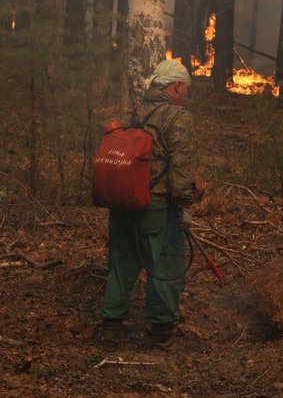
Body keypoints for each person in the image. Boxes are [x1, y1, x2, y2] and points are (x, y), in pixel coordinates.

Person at [99, 60, 197, 350]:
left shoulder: (136, 112)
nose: (186, 95)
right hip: (157, 205)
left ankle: (111, 328)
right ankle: (160, 332)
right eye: (186, 88)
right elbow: (181, 164)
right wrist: (184, 204)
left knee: (121, 263)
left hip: (124, 201)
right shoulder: (178, 117)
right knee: (165, 265)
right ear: (176, 86)